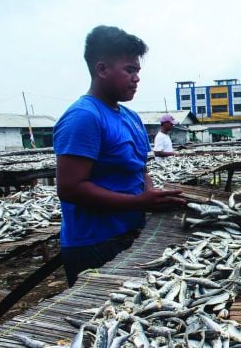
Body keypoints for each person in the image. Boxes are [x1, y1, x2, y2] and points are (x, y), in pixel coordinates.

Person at [53, 26, 186, 286]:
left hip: (132, 234)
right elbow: (70, 189)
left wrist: (151, 195)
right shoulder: (84, 117)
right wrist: (140, 202)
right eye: (130, 70)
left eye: (137, 71)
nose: (136, 78)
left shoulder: (131, 117)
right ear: (102, 69)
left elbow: (140, 169)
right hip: (93, 244)